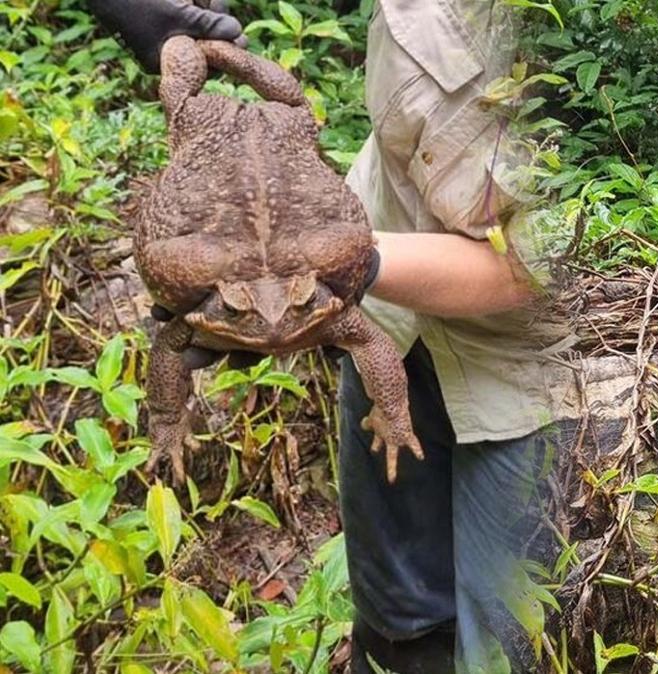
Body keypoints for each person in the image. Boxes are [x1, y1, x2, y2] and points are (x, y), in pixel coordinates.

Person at [89, 1, 574, 672]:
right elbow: (173, 344)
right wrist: (168, 418)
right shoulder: (231, 134)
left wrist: (355, 284)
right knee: (395, 607)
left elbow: (532, 262)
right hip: (364, 288)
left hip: (493, 361)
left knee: (507, 631)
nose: (271, 326)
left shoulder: (549, 75)